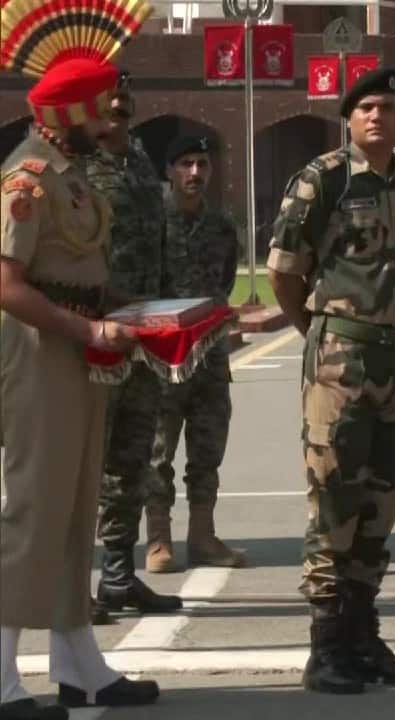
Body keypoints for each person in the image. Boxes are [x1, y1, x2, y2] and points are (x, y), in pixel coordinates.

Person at [1, 42, 161, 718]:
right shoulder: (28, 180)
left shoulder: (77, 174)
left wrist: (159, 316)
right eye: (100, 112)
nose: (111, 122)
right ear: (71, 111)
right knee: (33, 510)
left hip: (78, 356)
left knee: (71, 514)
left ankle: (78, 665)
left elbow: (84, 275)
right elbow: (6, 283)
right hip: (41, 355)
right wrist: (89, 331)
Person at [266, 67, 395, 695]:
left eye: (388, 107)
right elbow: (284, 270)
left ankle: (364, 638)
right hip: (343, 362)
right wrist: (316, 330)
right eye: (366, 107)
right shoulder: (324, 180)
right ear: (349, 118)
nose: (377, 117)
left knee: (380, 504)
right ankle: (326, 647)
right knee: (334, 501)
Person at [83, 71, 182, 617]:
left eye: (124, 101)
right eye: (109, 102)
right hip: (93, 334)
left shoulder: (142, 160)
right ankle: (76, 579)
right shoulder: (74, 168)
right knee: (85, 463)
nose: (118, 108)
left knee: (131, 458)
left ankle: (119, 576)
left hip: (144, 334)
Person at [144, 135, 245, 573]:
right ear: (169, 171)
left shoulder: (221, 225)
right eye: (185, 164)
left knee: (207, 449)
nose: (195, 173)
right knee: (158, 452)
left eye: (202, 164)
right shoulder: (152, 224)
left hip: (209, 356)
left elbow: (222, 282)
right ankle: (158, 541)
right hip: (162, 358)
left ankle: (203, 537)